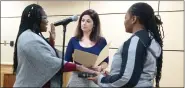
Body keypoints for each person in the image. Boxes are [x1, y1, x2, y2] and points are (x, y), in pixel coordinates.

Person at [13, 4, 96, 87]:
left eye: (88, 21)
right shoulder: (29, 38)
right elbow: (49, 61)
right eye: (45, 18)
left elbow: (44, 56)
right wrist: (79, 67)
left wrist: (52, 41)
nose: (47, 21)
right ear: (36, 19)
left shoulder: (32, 36)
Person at [88, 2, 164, 88]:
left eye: (125, 18)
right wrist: (110, 76)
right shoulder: (149, 39)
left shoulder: (136, 42)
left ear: (133, 19)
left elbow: (126, 80)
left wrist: (100, 79)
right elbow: (136, 74)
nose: (124, 22)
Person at [65, 9, 109, 87]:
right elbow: (66, 61)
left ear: (94, 24)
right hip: (77, 78)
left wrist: (100, 67)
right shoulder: (73, 40)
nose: (84, 23)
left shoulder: (102, 41)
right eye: (82, 20)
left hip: (94, 77)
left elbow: (105, 61)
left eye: (88, 21)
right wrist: (78, 67)